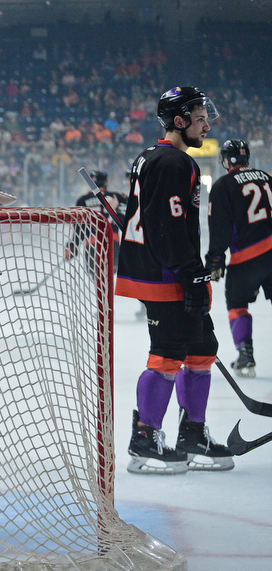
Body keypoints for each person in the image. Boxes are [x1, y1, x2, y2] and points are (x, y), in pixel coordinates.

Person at [115, 86, 234, 475]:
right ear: (179, 121)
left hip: (170, 271)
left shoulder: (156, 156)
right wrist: (190, 273)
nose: (206, 124)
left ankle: (192, 434)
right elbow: (165, 226)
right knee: (168, 353)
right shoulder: (173, 163)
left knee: (202, 347)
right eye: (200, 118)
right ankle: (145, 438)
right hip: (165, 275)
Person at [206, 139, 272, 379]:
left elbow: (220, 228)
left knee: (236, 303)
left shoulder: (224, 185)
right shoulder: (267, 177)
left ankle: (246, 353)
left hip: (247, 256)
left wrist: (215, 259)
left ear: (225, 160)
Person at [66, 169, 127, 274]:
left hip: (92, 243)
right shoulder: (117, 196)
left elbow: (78, 228)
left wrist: (73, 245)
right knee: (110, 278)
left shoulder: (83, 200)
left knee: (97, 279)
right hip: (113, 242)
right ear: (106, 182)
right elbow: (127, 219)